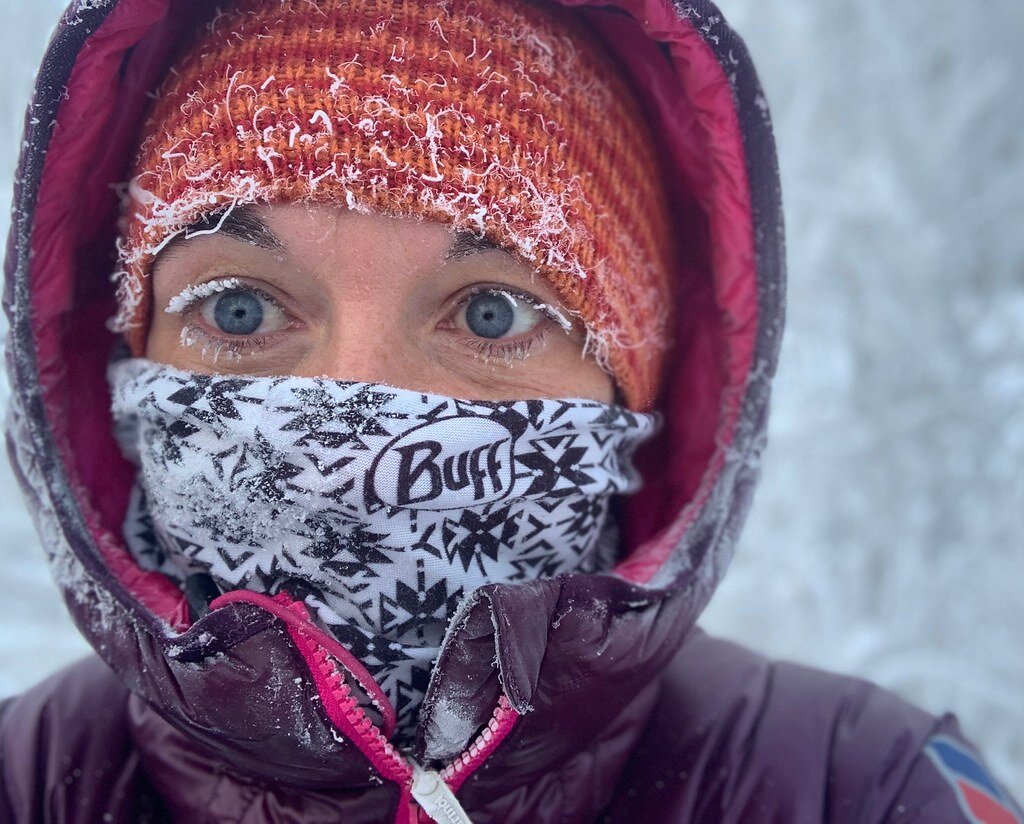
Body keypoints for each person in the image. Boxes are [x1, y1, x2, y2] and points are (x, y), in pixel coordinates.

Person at [0, 0, 1019, 821]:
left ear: (634, 382)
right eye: (240, 309)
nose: (358, 398)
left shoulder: (858, 788)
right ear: (127, 356)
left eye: (491, 314)